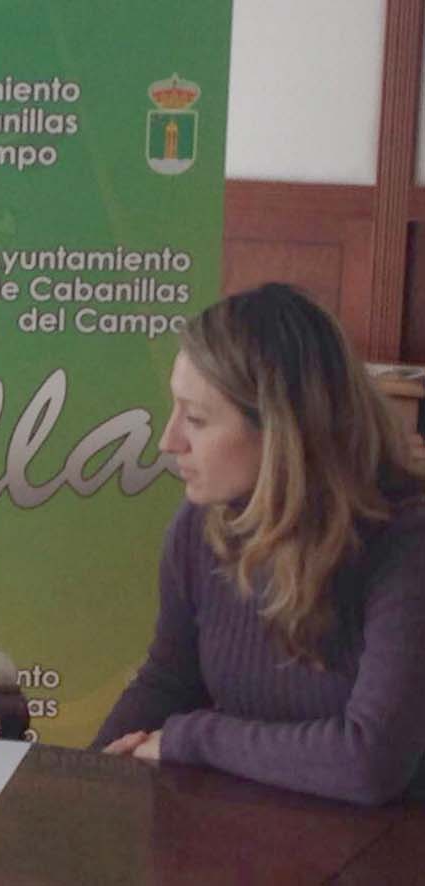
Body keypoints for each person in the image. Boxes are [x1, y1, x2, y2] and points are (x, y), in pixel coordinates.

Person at [95, 283, 425, 805]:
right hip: (246, 826)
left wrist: (192, 738)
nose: (169, 441)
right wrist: (85, 780)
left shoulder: (407, 543)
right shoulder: (198, 526)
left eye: (196, 419)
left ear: (282, 433)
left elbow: (370, 760)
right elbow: (168, 680)